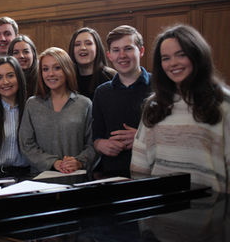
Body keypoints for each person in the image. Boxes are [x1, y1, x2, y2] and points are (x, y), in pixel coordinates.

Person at [131, 24, 230, 192]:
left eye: (181, 55)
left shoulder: (224, 102)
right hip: (161, 212)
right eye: (166, 58)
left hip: (212, 213)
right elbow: (139, 166)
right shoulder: (154, 105)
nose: (173, 63)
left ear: (197, 55)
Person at [19, 47, 95, 174]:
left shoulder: (84, 104)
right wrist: (54, 162)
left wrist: (79, 161)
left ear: (67, 69)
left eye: (57, 68)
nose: (50, 74)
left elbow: (93, 144)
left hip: (76, 179)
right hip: (41, 180)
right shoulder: (32, 104)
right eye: (45, 69)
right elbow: (27, 144)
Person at [92, 25, 152, 177]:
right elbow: (96, 137)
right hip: (112, 174)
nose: (122, 55)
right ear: (109, 55)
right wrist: (101, 144)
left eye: (128, 48)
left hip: (152, 173)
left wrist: (142, 138)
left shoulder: (161, 86)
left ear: (141, 51)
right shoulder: (101, 92)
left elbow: (174, 134)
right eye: (116, 50)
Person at [68, 27, 116, 100]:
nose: (83, 48)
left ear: (97, 48)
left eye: (88, 43)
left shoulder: (110, 76)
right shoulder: (67, 79)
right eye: (77, 44)